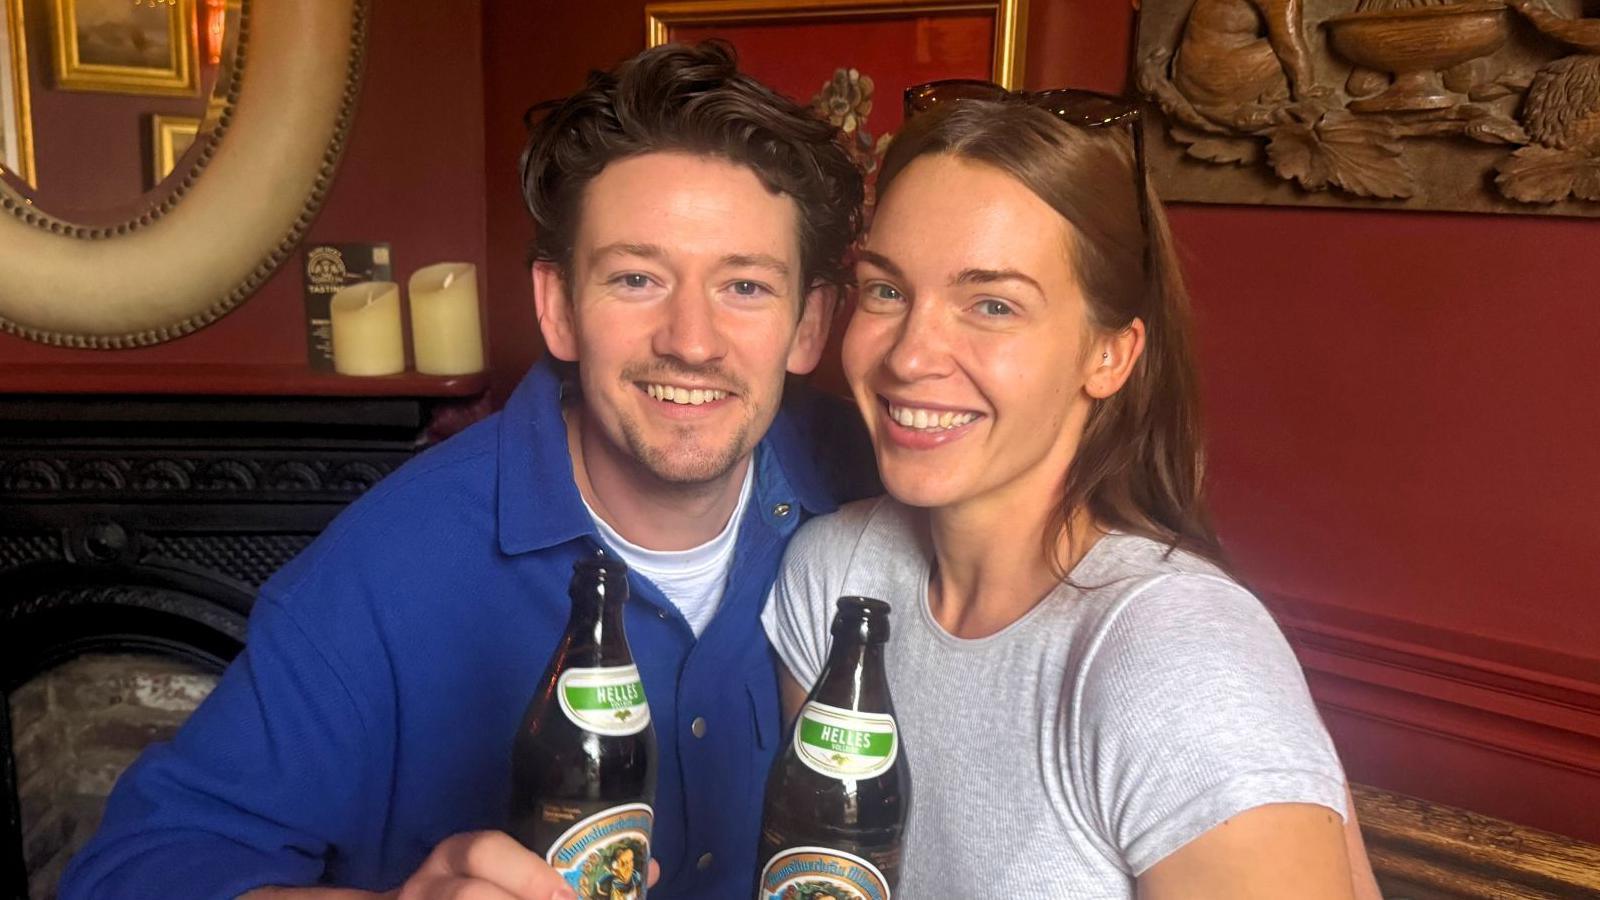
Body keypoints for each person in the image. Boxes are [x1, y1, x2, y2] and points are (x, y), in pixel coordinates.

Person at [60, 42, 874, 900]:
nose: (692, 340)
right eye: (637, 278)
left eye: (744, 287)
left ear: (809, 327)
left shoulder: (869, 496)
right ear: (558, 308)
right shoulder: (388, 564)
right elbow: (132, 873)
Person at [763, 82, 1382, 897]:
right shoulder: (833, 575)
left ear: (1110, 356)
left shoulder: (1176, 659)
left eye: (991, 304)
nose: (911, 355)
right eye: (887, 290)